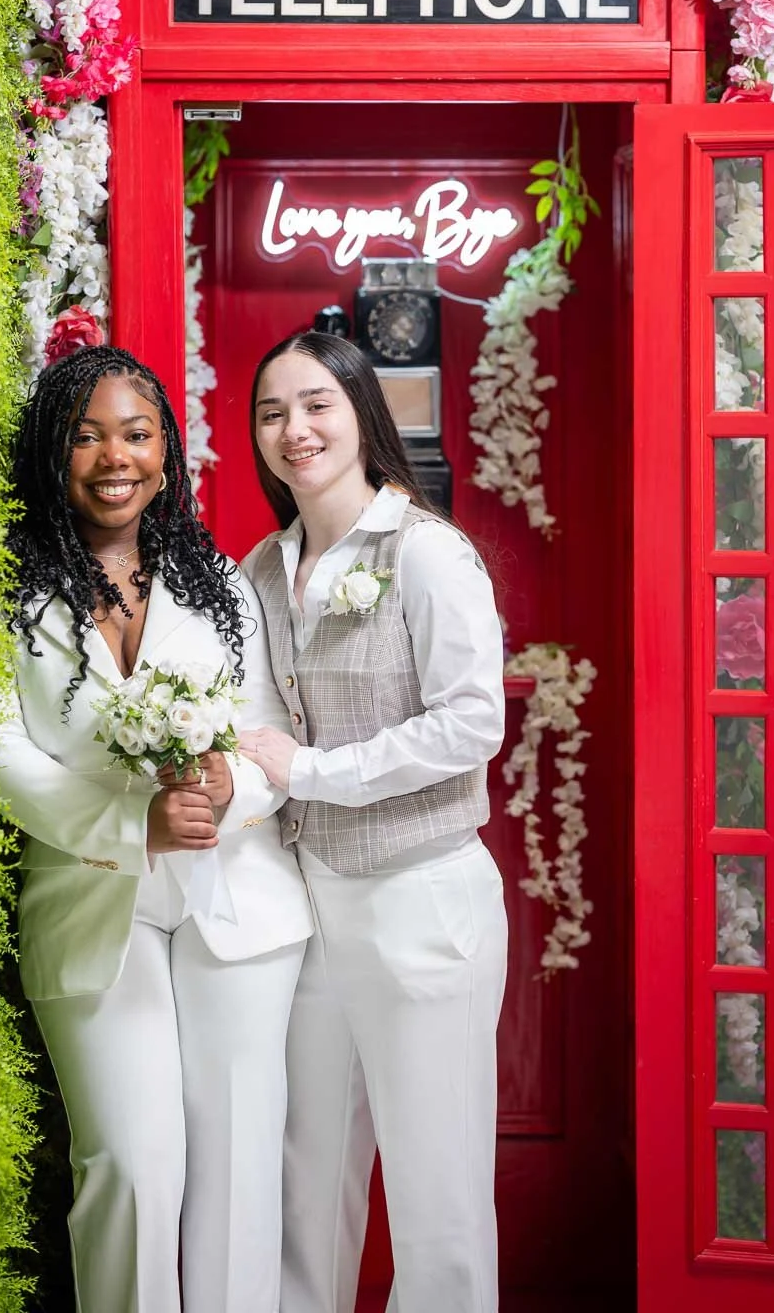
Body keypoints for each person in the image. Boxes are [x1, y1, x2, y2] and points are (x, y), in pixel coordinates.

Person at [0, 344, 312, 1313]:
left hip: (237, 909)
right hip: (98, 908)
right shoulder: (7, 591)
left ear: (166, 457)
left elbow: (275, 739)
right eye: (86, 436)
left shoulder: (217, 581)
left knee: (237, 1173)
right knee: (132, 1167)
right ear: (54, 452)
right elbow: (0, 755)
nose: (113, 457)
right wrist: (135, 824)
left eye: (134, 434)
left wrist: (224, 788)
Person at [239, 331, 509, 1313]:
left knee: (437, 1195)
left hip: (422, 902)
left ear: (360, 413)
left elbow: (474, 720)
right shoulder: (261, 571)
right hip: (308, 914)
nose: (293, 429)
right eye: (271, 411)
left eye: (315, 404)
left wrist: (315, 771)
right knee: (304, 1176)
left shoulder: (426, 552)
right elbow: (247, 721)